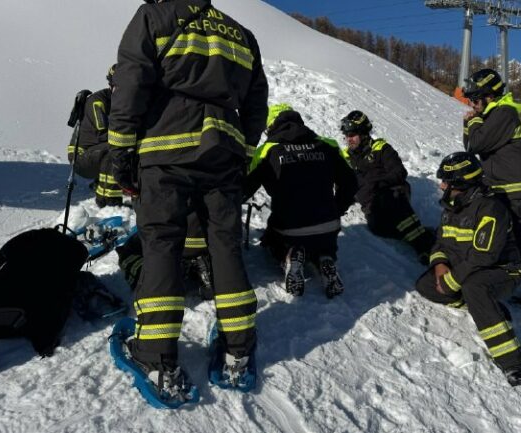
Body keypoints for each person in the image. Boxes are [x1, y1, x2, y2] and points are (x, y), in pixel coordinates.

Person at [108, 0, 268, 394]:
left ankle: (156, 356)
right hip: (224, 151)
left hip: (166, 149)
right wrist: (243, 152)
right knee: (225, 247)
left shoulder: (153, 16)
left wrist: (121, 151)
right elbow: (256, 102)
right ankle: (237, 351)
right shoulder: (241, 33)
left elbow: (131, 81)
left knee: (162, 245)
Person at [415, 152, 521, 386]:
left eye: (446, 181)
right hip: (467, 266)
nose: (442, 185)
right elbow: (440, 243)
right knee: (425, 285)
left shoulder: (490, 209)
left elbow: (484, 256)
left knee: (474, 287)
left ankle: (512, 362)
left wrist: (451, 281)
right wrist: (440, 266)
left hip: (501, 270)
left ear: (462, 183)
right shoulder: (452, 206)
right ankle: (484, 307)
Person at [246, 104, 358, 298]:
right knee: (323, 243)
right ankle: (325, 258)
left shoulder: (267, 151)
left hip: (290, 228)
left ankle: (288, 256)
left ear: (271, 127)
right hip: (328, 225)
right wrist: (336, 208)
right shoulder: (328, 145)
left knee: (271, 239)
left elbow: (245, 187)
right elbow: (351, 183)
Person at [462, 69, 521, 309]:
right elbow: (471, 146)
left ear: (489, 96)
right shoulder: (493, 114)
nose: (473, 104)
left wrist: (473, 121)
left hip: (515, 186)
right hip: (502, 183)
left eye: (475, 99)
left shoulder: (504, 113)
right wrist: (470, 123)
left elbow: (476, 143)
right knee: (508, 234)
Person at [340, 110, 434, 264]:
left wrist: (377, 183)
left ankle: (424, 246)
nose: (348, 139)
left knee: (391, 203)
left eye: (352, 135)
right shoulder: (345, 157)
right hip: (370, 202)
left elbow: (399, 172)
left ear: (363, 133)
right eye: (346, 135)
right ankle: (424, 234)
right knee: (377, 228)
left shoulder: (381, 148)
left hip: (392, 191)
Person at [67, 65, 124, 208]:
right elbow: (103, 133)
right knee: (116, 149)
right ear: (111, 85)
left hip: (97, 152)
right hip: (80, 157)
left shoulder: (125, 103)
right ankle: (108, 200)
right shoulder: (97, 102)